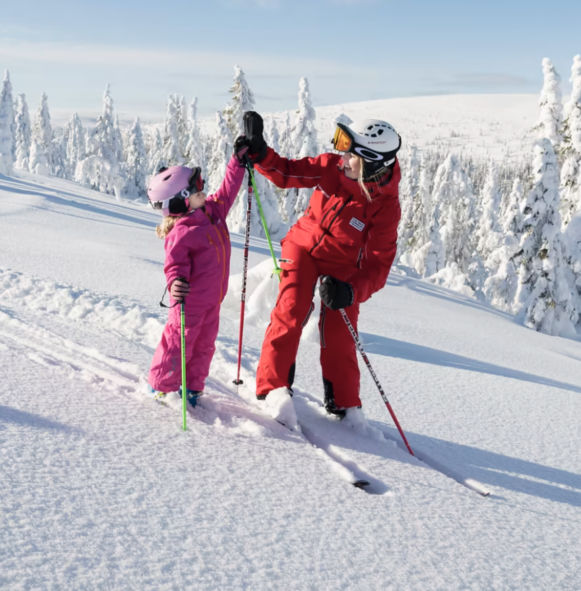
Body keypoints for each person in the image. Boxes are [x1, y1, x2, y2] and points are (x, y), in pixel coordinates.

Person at [234, 111, 402, 420]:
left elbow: (379, 265)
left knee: (340, 329)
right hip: (303, 247)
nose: (343, 158)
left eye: (351, 155)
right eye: (344, 150)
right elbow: (287, 173)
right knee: (291, 308)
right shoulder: (330, 168)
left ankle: (344, 405)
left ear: (372, 163)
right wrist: (261, 154)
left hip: (343, 265)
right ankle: (272, 388)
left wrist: (350, 291)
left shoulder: (385, 207)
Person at [145, 148, 247, 407]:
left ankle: (192, 386)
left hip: (212, 301)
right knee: (178, 345)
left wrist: (237, 163)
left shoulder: (213, 212)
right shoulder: (182, 232)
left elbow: (228, 190)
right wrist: (176, 282)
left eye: (201, 187)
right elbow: (174, 265)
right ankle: (162, 386)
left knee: (204, 346)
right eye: (196, 191)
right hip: (188, 304)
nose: (204, 192)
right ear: (179, 202)